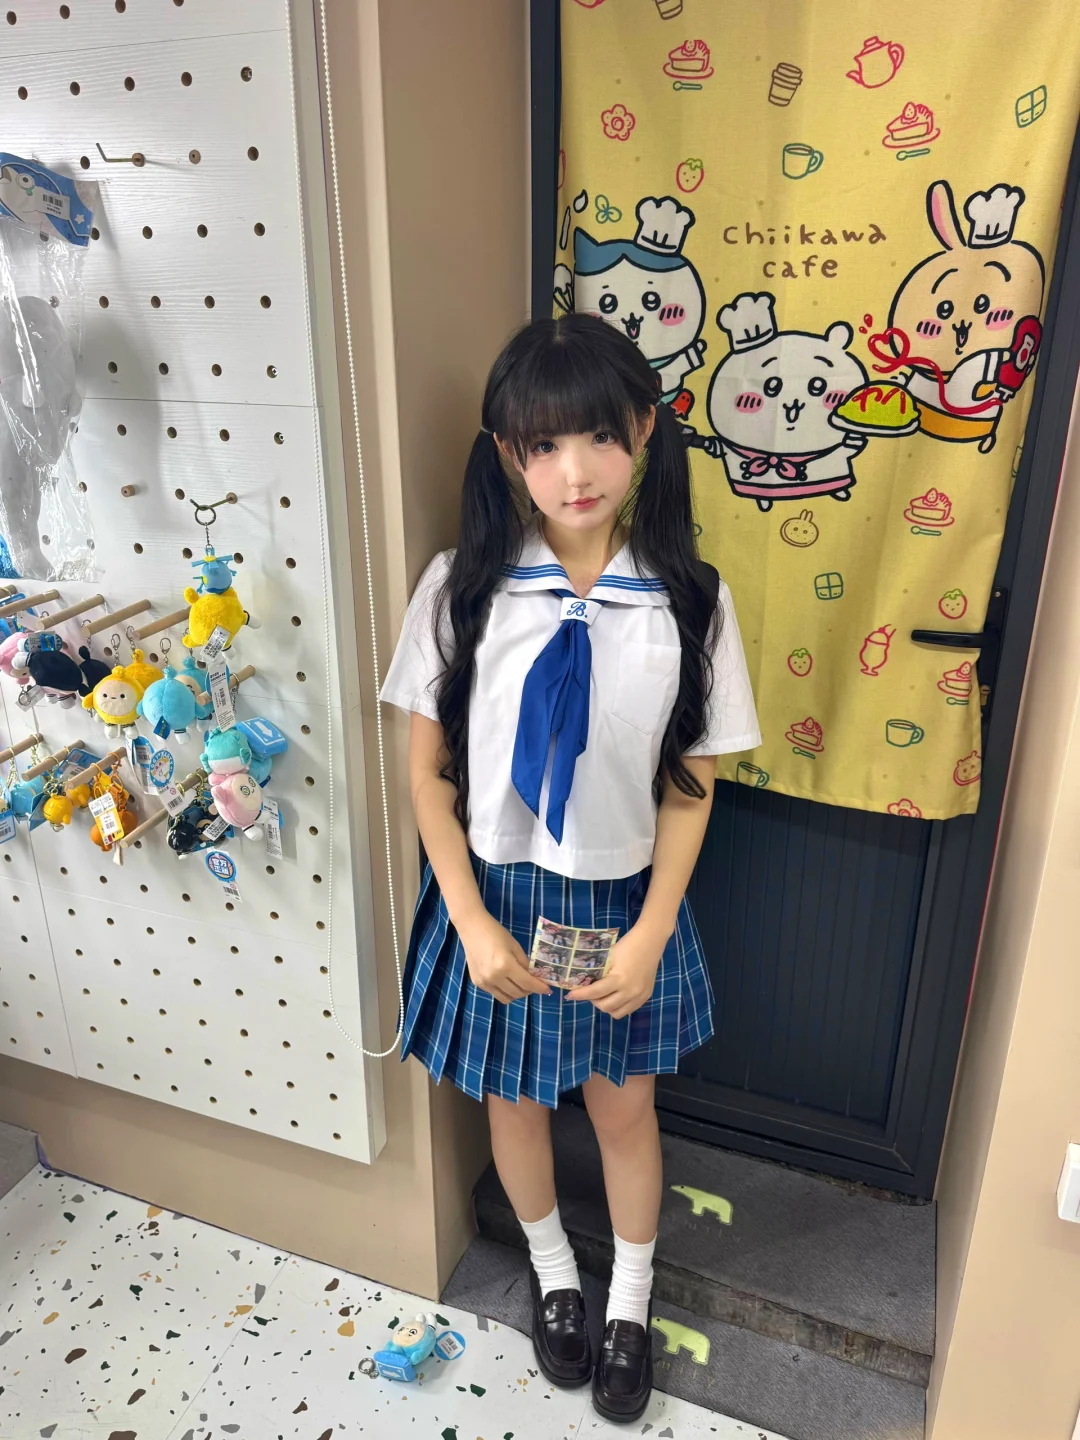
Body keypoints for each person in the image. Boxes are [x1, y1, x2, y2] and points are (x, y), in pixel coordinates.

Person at [381, 313, 760, 1423]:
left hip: (622, 902)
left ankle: (629, 1300)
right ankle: (555, 1280)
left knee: (624, 1110)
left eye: (598, 436)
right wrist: (469, 921)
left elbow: (691, 785)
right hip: (497, 897)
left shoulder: (690, 601)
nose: (574, 471)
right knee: (512, 1107)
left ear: (642, 431)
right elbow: (427, 777)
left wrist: (651, 933)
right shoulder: (462, 588)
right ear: (509, 454)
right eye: (543, 445)